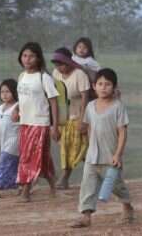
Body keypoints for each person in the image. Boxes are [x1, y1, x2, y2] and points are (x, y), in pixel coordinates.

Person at [71, 68, 134, 228]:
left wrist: (118, 154)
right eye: (100, 84)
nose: (103, 87)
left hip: (111, 156)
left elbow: (122, 132)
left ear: (114, 87)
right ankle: (86, 217)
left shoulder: (118, 106)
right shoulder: (90, 106)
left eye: (107, 84)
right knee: (88, 185)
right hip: (92, 156)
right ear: (94, 86)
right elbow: (87, 128)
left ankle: (127, 207)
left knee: (116, 185)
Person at [16, 42, 59, 202]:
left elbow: (53, 102)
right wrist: (16, 111)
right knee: (42, 157)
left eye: (31, 56)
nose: (27, 59)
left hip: (40, 123)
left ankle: (26, 190)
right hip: (25, 123)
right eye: (25, 56)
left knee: (30, 156)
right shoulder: (22, 76)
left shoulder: (44, 77)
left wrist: (54, 126)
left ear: (39, 58)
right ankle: (53, 185)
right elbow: (22, 99)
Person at [51, 47, 90, 189]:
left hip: (78, 116)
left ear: (69, 62)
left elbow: (85, 98)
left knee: (73, 147)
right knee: (74, 148)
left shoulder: (79, 74)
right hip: (63, 117)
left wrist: (83, 120)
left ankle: (64, 178)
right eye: (57, 65)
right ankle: (98, 175)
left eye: (62, 64)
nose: (59, 68)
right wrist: (54, 124)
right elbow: (54, 97)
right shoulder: (56, 74)